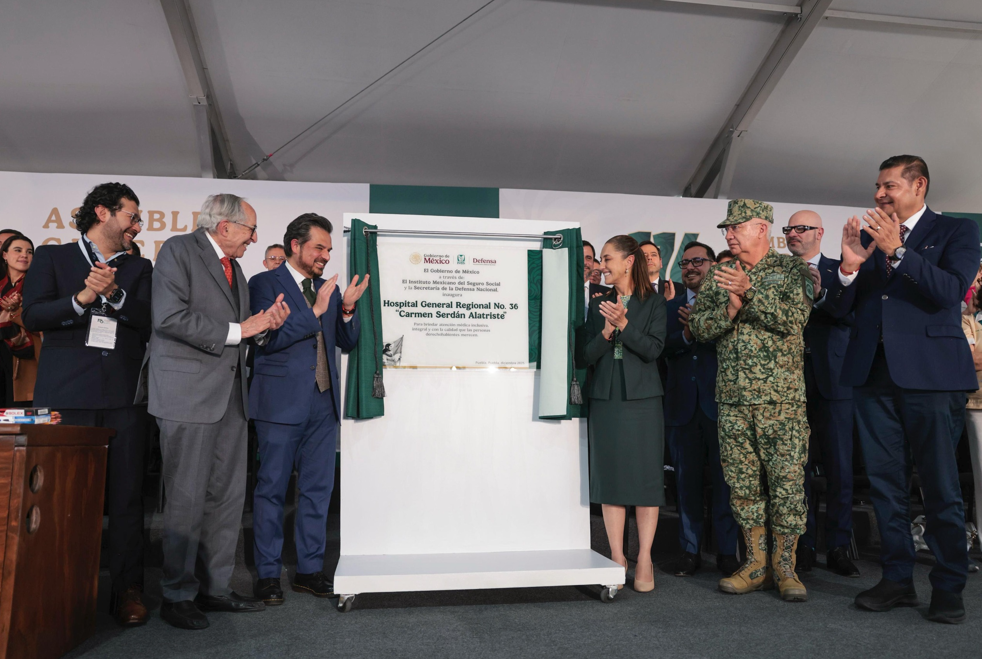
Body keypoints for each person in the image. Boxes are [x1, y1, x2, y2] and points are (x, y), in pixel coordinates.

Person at [823, 155, 980, 624]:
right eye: (877, 186)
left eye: (888, 185)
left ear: (918, 185)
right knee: (885, 485)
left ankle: (948, 585)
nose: (878, 194)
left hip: (932, 379)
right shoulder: (870, 237)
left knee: (940, 486)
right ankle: (897, 579)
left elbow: (950, 292)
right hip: (873, 376)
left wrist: (899, 252)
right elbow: (839, 310)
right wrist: (849, 268)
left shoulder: (956, 231)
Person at [145, 193, 290, 630]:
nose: (255, 239)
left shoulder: (235, 267)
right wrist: (241, 329)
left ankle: (215, 588)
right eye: (251, 230)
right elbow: (168, 317)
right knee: (186, 499)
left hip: (231, 398)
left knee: (227, 499)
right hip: (187, 395)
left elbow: (242, 330)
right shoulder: (178, 250)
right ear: (225, 226)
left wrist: (265, 327)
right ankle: (177, 595)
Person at [21, 182, 153, 626]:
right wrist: (82, 299)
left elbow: (149, 321)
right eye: (132, 216)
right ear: (102, 212)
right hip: (66, 398)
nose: (137, 225)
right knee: (63, 497)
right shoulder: (52, 257)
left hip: (124, 398)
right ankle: (63, 589)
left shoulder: (140, 267)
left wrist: (114, 295)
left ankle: (128, 590)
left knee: (127, 497)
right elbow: (33, 315)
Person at [689, 199, 813, 602]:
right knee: (742, 485)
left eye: (736, 227)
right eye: (726, 229)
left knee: (787, 485)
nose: (728, 235)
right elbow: (699, 327)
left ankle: (786, 567)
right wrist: (730, 309)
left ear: (761, 228)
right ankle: (756, 565)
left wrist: (751, 292)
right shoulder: (718, 275)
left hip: (782, 402)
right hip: (733, 400)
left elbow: (794, 320)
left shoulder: (792, 270)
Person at [249, 214, 367, 605]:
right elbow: (267, 339)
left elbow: (346, 342)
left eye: (329, 250)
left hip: (323, 402)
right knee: (271, 490)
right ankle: (268, 574)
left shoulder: (327, 289)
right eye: (319, 247)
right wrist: (314, 311)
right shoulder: (264, 283)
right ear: (295, 246)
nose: (325, 256)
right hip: (279, 403)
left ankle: (309, 570)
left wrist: (346, 308)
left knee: (317, 491)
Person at [580, 235, 666, 593]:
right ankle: (616, 555)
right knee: (611, 479)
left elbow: (653, 350)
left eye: (607, 258)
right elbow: (584, 355)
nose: (601, 266)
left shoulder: (654, 301)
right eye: (600, 260)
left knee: (645, 480)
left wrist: (625, 326)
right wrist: (606, 331)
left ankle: (644, 556)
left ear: (629, 261)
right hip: (605, 399)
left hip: (643, 400)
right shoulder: (598, 302)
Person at [784, 211, 860, 578]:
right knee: (795, 471)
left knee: (839, 468)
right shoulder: (777, 273)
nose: (793, 234)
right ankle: (804, 545)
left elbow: (850, 315)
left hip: (835, 379)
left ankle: (839, 546)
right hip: (789, 382)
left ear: (820, 232)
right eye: (789, 229)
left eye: (801, 228)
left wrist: (820, 295)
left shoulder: (840, 270)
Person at [663, 241, 739, 577]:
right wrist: (686, 334)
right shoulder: (669, 307)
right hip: (682, 408)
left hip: (720, 405)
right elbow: (660, 348)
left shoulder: (731, 303)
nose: (690, 268)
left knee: (726, 484)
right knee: (686, 484)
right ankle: (689, 550)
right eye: (685, 263)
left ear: (713, 266)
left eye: (698, 261)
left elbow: (736, 347)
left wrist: (704, 326)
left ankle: (726, 552)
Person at [0, 235, 40, 404]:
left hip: (25, 359)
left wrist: (16, 311)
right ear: (5, 255)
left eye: (29, 252)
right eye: (18, 250)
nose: (24, 255)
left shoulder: (39, 285)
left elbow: (42, 323)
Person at [583, 241, 609, 319]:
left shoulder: (607, 294)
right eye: (579, 257)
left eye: (588, 258)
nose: (584, 262)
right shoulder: (559, 291)